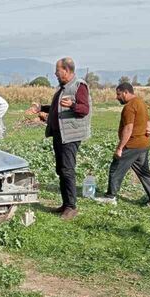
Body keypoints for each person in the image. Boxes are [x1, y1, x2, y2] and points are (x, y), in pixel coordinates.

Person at [26, 57, 91, 220]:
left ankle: (71, 207)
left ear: (66, 70)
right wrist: (41, 108)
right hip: (60, 134)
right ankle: (65, 204)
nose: (55, 73)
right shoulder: (63, 88)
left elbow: (85, 109)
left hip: (70, 135)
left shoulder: (79, 86)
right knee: (61, 170)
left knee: (67, 170)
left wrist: (73, 105)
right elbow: (56, 108)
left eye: (57, 70)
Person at [96, 82, 150, 208]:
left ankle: (110, 197)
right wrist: (148, 128)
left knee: (116, 168)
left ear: (125, 92)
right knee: (143, 171)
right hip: (144, 144)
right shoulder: (141, 102)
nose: (117, 97)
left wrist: (120, 148)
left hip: (133, 144)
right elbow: (148, 120)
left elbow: (128, 128)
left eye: (118, 94)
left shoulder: (129, 107)